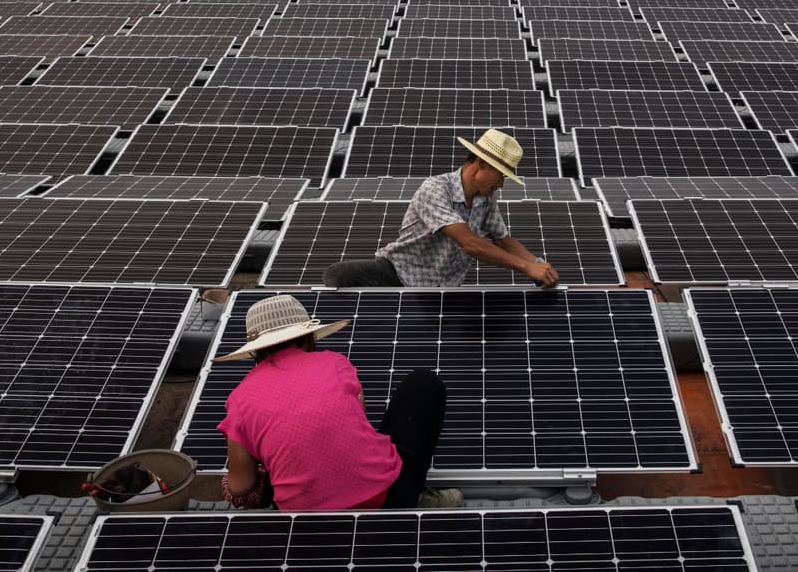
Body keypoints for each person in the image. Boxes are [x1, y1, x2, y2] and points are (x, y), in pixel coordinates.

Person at [216, 294, 460, 511]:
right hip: (390, 496)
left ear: (255, 351)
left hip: (301, 520)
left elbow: (240, 486)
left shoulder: (240, 398)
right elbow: (356, 426)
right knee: (423, 384)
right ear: (308, 335)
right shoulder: (335, 363)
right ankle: (417, 498)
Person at [322, 128, 560, 288]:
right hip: (399, 275)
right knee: (338, 275)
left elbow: (503, 240)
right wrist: (526, 267)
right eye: (500, 175)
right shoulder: (435, 190)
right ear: (481, 164)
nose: (500, 184)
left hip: (443, 289)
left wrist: (539, 265)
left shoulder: (486, 198)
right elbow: (469, 243)